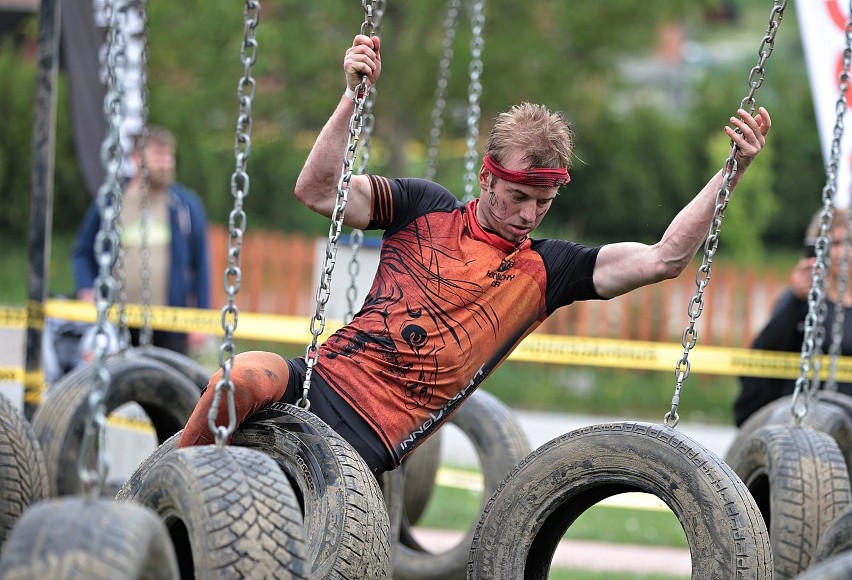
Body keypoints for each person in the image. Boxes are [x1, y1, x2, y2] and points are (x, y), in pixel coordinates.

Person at [178, 34, 771, 474]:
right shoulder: (422, 207)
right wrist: (352, 97)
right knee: (238, 379)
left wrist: (733, 170)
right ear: (488, 179)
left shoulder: (549, 271)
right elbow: (317, 192)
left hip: (371, 439)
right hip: (318, 379)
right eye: (517, 197)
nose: (528, 215)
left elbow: (665, 257)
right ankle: (171, 490)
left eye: (542, 202)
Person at [71, 125, 210, 356]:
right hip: (117, 321)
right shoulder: (112, 202)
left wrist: (201, 319)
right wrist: (86, 287)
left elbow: (201, 265)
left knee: (169, 387)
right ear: (136, 158)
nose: (166, 164)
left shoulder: (184, 205)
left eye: (169, 157)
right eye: (158, 157)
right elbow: (83, 251)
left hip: (170, 324)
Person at [733, 209, 852, 426]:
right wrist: (795, 300)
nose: (844, 252)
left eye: (849, 242)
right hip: (802, 416)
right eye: (834, 244)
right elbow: (766, 349)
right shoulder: (801, 299)